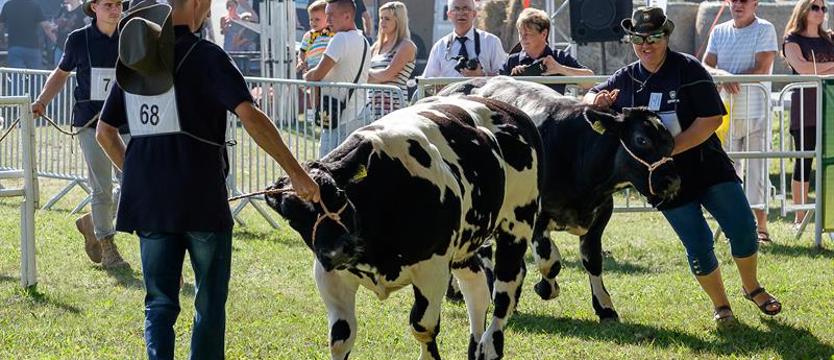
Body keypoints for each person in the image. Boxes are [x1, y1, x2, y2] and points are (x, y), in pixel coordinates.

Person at [95, 1, 319, 357]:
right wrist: (297, 172)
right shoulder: (209, 56)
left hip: (151, 203)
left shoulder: (138, 59)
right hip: (201, 199)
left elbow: (105, 133)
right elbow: (251, 117)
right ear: (199, 5)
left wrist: (138, 175)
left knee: (159, 303)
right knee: (209, 304)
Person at [585, 6, 781, 326]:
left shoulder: (688, 68)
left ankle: (751, 286)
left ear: (667, 36)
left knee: (744, 228)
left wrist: (670, 148)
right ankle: (721, 306)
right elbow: (591, 98)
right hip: (663, 179)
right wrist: (596, 101)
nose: (645, 44)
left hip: (706, 164)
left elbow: (711, 119)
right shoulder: (627, 77)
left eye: (654, 37)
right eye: (638, 38)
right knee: (699, 244)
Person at [31, 0, 129, 269]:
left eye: (119, 4)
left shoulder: (130, 37)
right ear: (94, 7)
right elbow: (61, 74)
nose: (115, 10)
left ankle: (91, 221)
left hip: (127, 124)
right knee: (102, 188)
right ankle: (108, 246)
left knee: (136, 183)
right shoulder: (79, 39)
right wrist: (42, 101)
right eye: (108, 4)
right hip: (91, 124)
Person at [702, 0, 777, 243]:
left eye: (744, 0)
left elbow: (763, 67)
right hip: (725, 113)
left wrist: (731, 77)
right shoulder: (719, 31)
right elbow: (706, 65)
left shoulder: (765, 28)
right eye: (734, 0)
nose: (738, 4)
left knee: (758, 171)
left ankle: (762, 228)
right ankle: (732, 228)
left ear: (755, 3)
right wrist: (721, 75)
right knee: (726, 173)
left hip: (757, 111)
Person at [782, 0, 833, 228]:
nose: (820, 12)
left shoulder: (829, 38)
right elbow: (802, 68)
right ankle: (799, 216)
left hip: (830, 106)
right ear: (803, 9)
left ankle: (829, 216)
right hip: (805, 108)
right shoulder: (792, 40)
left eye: (823, 8)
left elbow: (810, 67)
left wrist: (818, 67)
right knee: (804, 161)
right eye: (815, 7)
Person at [303, 0, 370, 156]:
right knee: (355, 170)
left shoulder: (340, 39)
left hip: (339, 117)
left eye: (331, 15)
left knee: (328, 168)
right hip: (360, 112)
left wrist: (307, 75)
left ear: (347, 16)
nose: (328, 20)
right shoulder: (364, 40)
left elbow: (317, 74)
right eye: (327, 15)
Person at [500, 7, 592, 94]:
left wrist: (560, 68)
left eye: (528, 34)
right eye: (520, 34)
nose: (522, 39)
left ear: (544, 34)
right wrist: (512, 80)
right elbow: (497, 88)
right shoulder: (512, 60)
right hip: (522, 110)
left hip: (552, 110)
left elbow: (590, 82)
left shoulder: (560, 57)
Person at [422, 0, 506, 78]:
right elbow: (427, 80)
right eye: (456, 9)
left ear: (474, 14)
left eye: (466, 9)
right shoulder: (440, 47)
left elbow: (504, 77)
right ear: (449, 15)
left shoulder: (491, 42)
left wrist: (482, 75)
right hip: (449, 94)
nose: (461, 13)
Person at [367, 1, 415, 116]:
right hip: (371, 108)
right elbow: (363, 78)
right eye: (381, 18)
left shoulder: (406, 45)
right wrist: (380, 77)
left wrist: (369, 72)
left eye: (387, 19)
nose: (382, 22)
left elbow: (387, 74)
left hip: (394, 109)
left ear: (398, 21)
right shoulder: (375, 47)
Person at [0, 0, 56, 69]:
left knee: (16, 76)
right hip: (33, 47)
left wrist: (2, 41)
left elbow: (1, 27)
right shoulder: (34, 5)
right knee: (36, 75)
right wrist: (56, 42)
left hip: (14, 47)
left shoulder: (7, 5)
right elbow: (46, 27)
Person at [297, 0, 333, 73]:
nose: (313, 22)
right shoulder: (308, 35)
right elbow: (302, 51)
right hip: (311, 68)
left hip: (328, 69)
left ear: (328, 18)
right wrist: (301, 61)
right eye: (311, 19)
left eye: (317, 19)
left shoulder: (332, 33)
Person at [52, 0, 88, 65]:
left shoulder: (83, 10)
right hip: (60, 47)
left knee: (74, 73)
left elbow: (91, 28)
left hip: (76, 50)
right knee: (58, 73)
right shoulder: (63, 9)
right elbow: (54, 25)